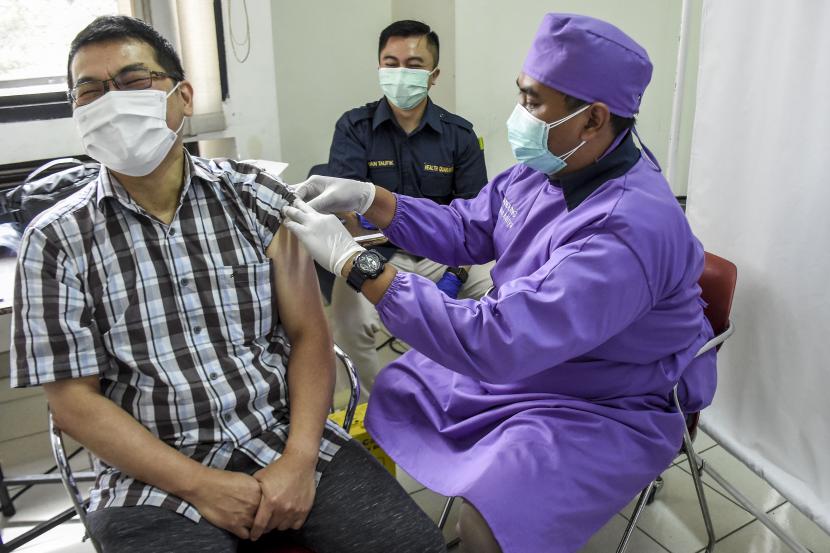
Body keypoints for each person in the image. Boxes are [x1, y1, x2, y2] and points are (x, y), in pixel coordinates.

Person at [282, 12, 718, 553]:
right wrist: (373, 200)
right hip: (537, 361)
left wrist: (358, 264)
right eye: (522, 94)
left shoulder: (628, 230)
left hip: (612, 397)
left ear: (593, 119)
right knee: (403, 388)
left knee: (487, 524)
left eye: (533, 102)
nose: (520, 115)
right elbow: (471, 226)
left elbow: (499, 339)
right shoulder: (558, 163)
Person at [10, 15, 444, 553]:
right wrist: (200, 485)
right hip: (151, 478)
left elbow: (309, 334)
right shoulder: (54, 240)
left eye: (131, 81)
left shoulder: (252, 197)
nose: (110, 101)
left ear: (184, 95)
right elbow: (73, 401)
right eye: (89, 90)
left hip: (287, 440)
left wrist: (299, 460)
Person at [319, 19, 492, 394]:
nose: (401, 73)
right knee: (348, 321)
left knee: (497, 290)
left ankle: (473, 395)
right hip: (376, 251)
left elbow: (477, 220)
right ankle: (375, 406)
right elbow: (347, 215)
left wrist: (455, 275)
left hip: (444, 253)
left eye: (414, 65)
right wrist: (371, 265)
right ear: (379, 67)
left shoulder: (458, 135)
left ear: (433, 75)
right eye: (390, 62)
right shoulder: (354, 127)